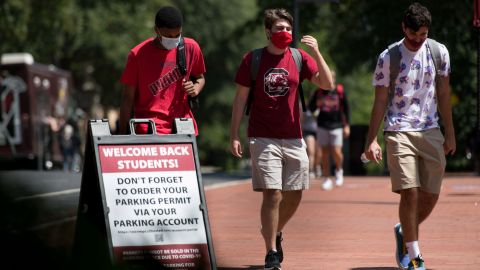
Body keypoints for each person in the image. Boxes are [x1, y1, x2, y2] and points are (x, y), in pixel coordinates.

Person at [230, 8, 333, 270]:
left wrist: (316, 53)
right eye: (279, 29)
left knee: (295, 193)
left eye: (288, 29)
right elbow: (240, 99)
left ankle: (275, 231)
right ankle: (271, 253)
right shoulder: (252, 59)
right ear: (268, 32)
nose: (284, 33)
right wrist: (234, 135)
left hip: (294, 136)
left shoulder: (299, 58)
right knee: (273, 194)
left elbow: (327, 84)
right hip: (262, 136)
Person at [364, 3, 455, 270]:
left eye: (422, 35)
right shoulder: (388, 57)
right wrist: (371, 139)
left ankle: (404, 231)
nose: (417, 40)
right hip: (398, 128)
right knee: (410, 191)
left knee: (431, 194)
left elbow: (444, 94)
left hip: (430, 129)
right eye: (413, 35)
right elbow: (380, 101)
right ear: (404, 28)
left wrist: (450, 132)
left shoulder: (439, 53)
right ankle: (415, 255)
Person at [119, 6, 206, 135]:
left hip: (182, 128)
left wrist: (195, 88)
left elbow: (200, 78)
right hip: (148, 130)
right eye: (168, 36)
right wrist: (123, 137)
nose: (173, 39)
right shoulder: (137, 55)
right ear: (156, 30)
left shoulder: (191, 47)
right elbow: (127, 99)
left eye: (177, 35)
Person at [309, 71, 350, 190]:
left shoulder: (339, 91)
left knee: (336, 151)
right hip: (322, 125)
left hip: (337, 125)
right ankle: (326, 178)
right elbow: (311, 108)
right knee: (325, 153)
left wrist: (347, 125)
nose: (328, 79)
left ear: (334, 78)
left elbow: (346, 109)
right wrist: (317, 105)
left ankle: (339, 170)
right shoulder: (319, 92)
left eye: (330, 77)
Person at [301, 105, 319, 180]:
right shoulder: (305, 108)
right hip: (308, 131)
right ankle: (311, 170)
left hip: (319, 131)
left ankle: (317, 167)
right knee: (311, 151)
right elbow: (301, 119)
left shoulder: (321, 107)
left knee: (318, 153)